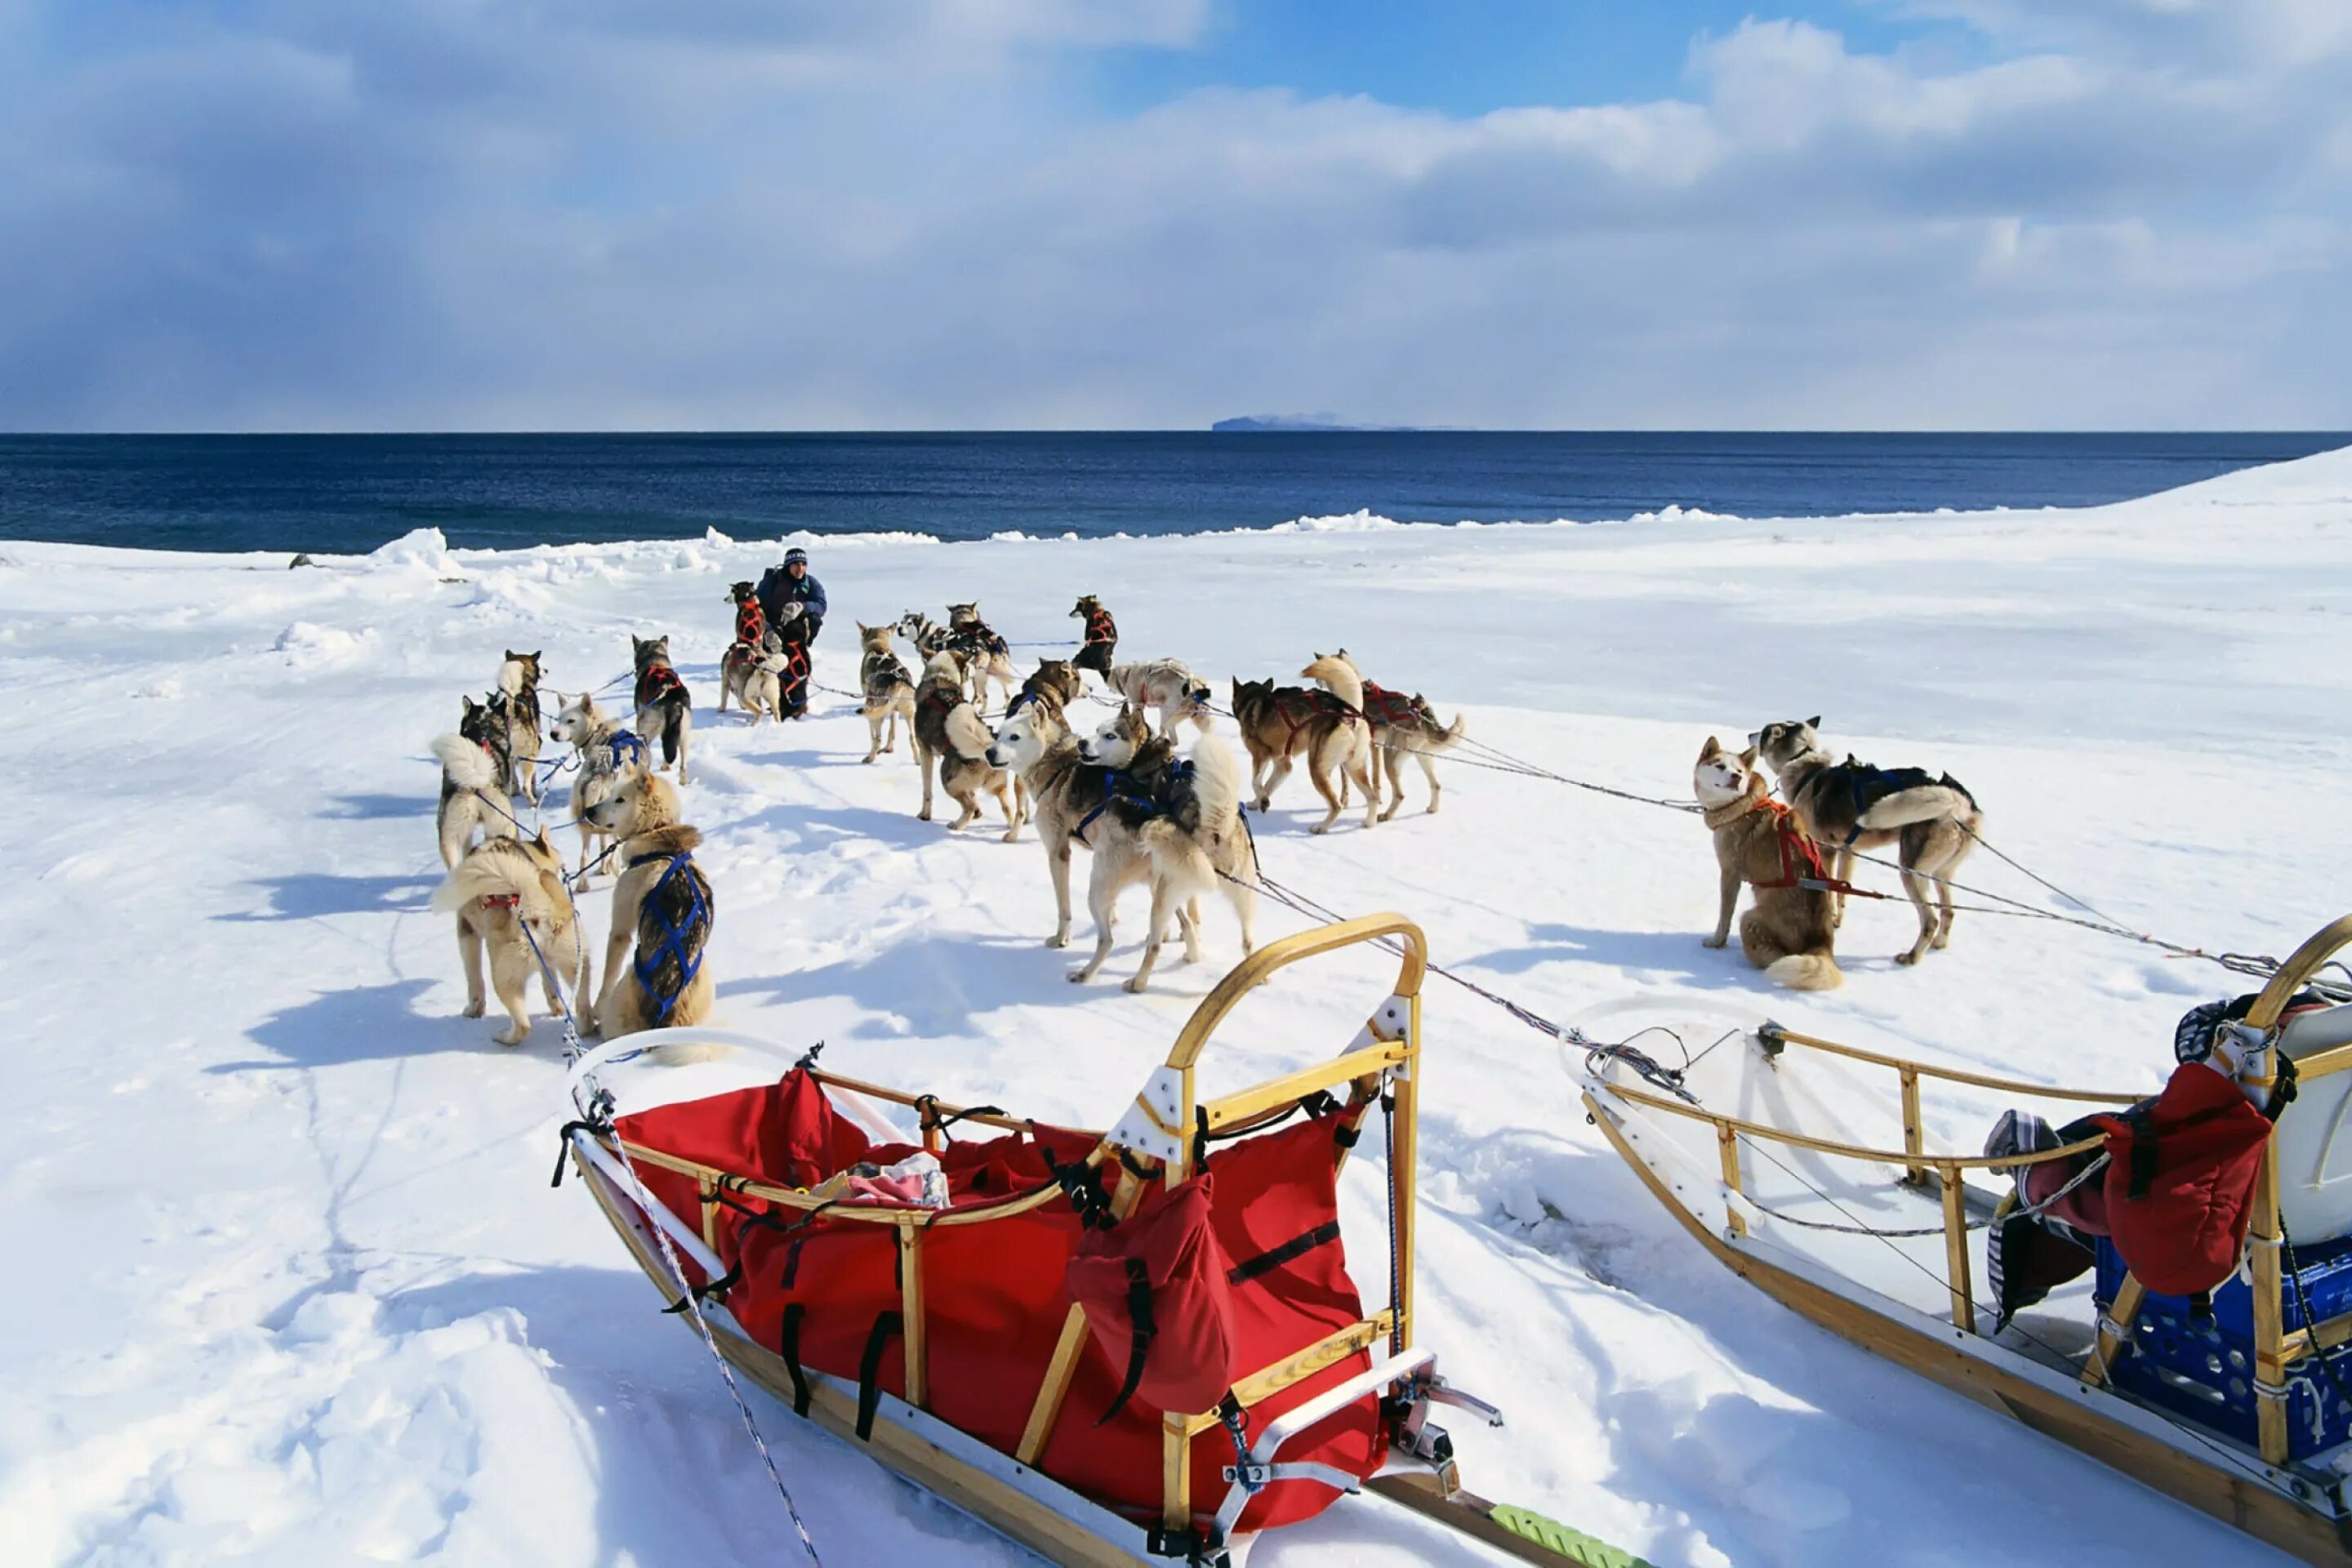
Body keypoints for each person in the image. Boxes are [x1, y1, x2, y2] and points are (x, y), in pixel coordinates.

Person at [756, 546, 826, 645]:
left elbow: (821, 606)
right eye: (796, 565)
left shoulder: (811, 583)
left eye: (803, 565)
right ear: (788, 565)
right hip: (773, 624)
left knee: (815, 620)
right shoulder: (772, 581)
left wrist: (802, 607)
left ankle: (804, 646)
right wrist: (767, 630)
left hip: (797, 625)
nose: (800, 569)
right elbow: (757, 606)